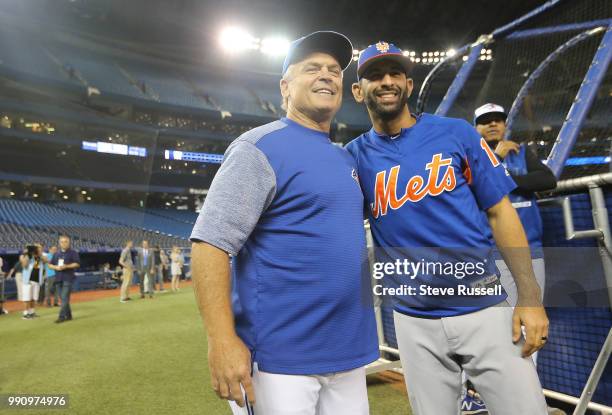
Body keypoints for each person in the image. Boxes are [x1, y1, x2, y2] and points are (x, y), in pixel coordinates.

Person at [346, 41, 549, 415]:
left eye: (394, 74)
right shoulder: (353, 157)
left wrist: (529, 296)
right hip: (412, 319)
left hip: (483, 306)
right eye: (374, 75)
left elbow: (500, 213)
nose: (386, 81)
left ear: (408, 85)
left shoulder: (456, 133)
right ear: (359, 91)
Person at [190, 31, 378, 414]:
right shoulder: (258, 148)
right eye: (312, 68)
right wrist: (221, 340)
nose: (326, 75)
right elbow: (210, 243)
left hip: (347, 354)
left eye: (333, 70)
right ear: (285, 87)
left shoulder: (345, 159)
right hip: (279, 359)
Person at [49, 235, 80, 323]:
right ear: (59, 243)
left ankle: (61, 316)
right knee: (63, 298)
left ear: (69, 242)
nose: (64, 243)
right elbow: (50, 265)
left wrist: (66, 266)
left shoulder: (73, 252)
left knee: (64, 297)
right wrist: (55, 267)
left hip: (68, 278)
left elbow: (77, 264)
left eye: (66, 241)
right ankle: (69, 315)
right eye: (62, 242)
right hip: (58, 279)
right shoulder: (56, 254)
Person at [21, 244, 44, 319]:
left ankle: (32, 312)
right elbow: (24, 265)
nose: (40, 250)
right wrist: (27, 254)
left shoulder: (38, 259)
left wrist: (38, 255)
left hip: (36, 281)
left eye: (40, 249)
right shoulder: (27, 256)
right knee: (27, 298)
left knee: (34, 298)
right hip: (28, 281)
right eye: (38, 249)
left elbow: (46, 260)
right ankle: (25, 314)